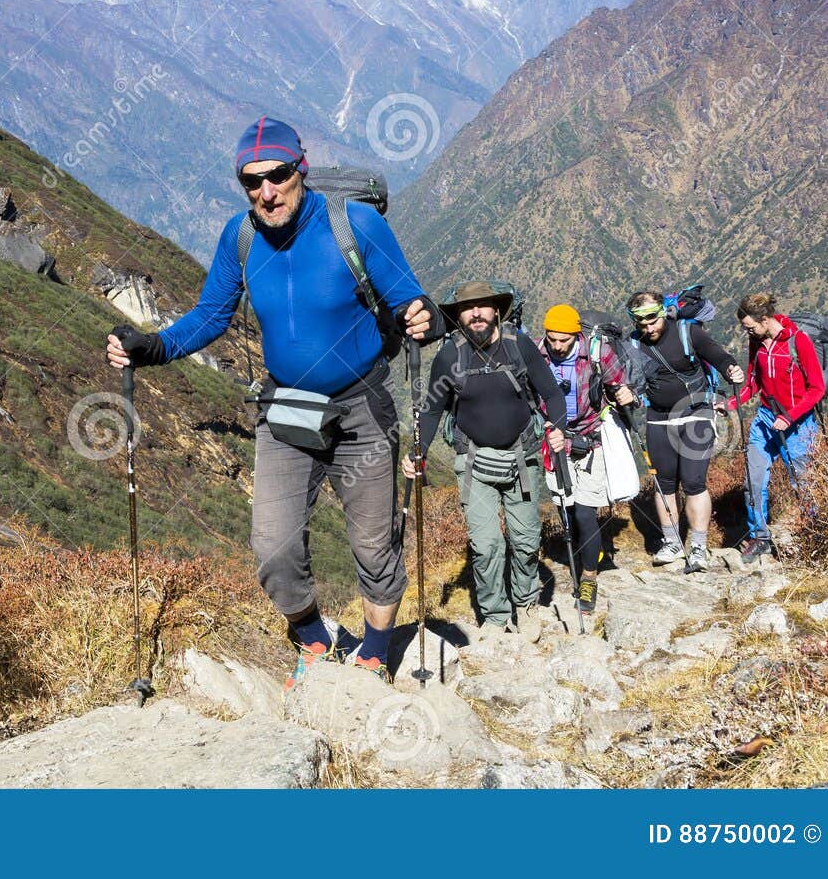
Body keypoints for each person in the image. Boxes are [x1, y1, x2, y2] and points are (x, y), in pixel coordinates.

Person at [107, 117, 442, 686]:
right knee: (273, 547)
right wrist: (155, 347)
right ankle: (314, 640)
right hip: (286, 410)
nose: (267, 191)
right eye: (251, 181)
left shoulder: (354, 225)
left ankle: (375, 651)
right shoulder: (239, 238)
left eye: (278, 175)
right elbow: (212, 315)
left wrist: (424, 317)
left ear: (300, 169)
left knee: (374, 541)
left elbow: (409, 298)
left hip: (362, 407)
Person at [408, 282, 566, 632]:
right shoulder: (451, 355)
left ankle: (525, 604)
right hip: (474, 463)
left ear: (496, 310)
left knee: (525, 540)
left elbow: (551, 393)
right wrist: (417, 452)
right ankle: (495, 616)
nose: (476, 313)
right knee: (486, 545)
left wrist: (558, 426)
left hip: (521, 458)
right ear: (458, 316)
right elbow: (432, 410)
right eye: (467, 308)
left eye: (482, 306)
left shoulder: (518, 345)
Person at [625, 290, 744, 573]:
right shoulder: (632, 343)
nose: (649, 328)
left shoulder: (687, 332)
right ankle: (672, 543)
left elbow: (718, 355)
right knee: (664, 483)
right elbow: (628, 377)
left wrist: (732, 370)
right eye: (642, 324)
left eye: (653, 320)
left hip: (695, 414)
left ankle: (699, 547)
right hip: (658, 418)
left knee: (693, 481)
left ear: (663, 312)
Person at [536, 304, 640, 614]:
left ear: (576, 335)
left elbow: (621, 385)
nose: (556, 346)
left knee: (584, 514)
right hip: (554, 440)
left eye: (563, 341)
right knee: (565, 511)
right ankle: (581, 559)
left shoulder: (597, 353)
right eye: (552, 339)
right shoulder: (537, 354)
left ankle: (589, 579)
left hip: (590, 439)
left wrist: (627, 395)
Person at [727, 293, 826, 562]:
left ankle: (816, 535)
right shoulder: (756, 341)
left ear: (765, 319)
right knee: (753, 480)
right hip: (765, 420)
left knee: (804, 485)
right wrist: (731, 404)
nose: (747, 331)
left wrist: (790, 416)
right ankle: (759, 537)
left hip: (798, 425)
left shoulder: (798, 341)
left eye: (750, 326)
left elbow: (817, 389)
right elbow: (753, 383)